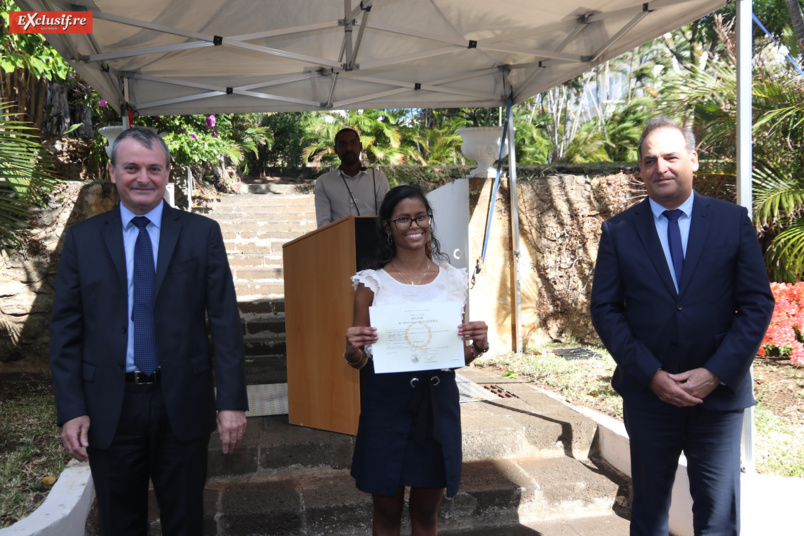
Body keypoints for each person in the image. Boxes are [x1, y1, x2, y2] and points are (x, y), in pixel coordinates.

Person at [49, 127, 248, 536]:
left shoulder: (201, 233)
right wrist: (71, 409)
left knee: (185, 521)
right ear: (112, 171)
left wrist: (231, 402)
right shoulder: (82, 240)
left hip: (183, 403)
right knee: (120, 524)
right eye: (132, 168)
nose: (144, 178)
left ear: (168, 172)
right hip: (110, 408)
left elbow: (226, 322)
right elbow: (65, 329)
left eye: (154, 168)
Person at [590, 115, 774, 536]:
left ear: (693, 159)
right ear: (640, 169)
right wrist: (650, 374)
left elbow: (757, 304)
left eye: (671, 156)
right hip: (650, 396)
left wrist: (715, 373)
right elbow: (605, 309)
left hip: (719, 398)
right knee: (651, 512)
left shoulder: (732, 221)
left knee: (717, 514)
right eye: (649, 160)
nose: (660, 167)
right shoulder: (619, 231)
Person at [344, 185, 489, 535]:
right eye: (403, 218)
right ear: (387, 226)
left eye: (420, 216)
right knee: (386, 515)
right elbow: (359, 360)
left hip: (436, 405)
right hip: (386, 405)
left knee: (426, 516)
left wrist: (479, 346)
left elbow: (457, 355)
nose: (414, 225)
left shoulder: (454, 280)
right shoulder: (371, 283)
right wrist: (352, 350)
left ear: (429, 221)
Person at [314, 127, 390, 228]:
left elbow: (387, 217)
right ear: (335, 149)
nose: (348, 148)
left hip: (373, 240)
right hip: (338, 241)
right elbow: (323, 224)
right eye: (343, 144)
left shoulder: (378, 178)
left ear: (360, 146)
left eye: (353, 143)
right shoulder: (324, 182)